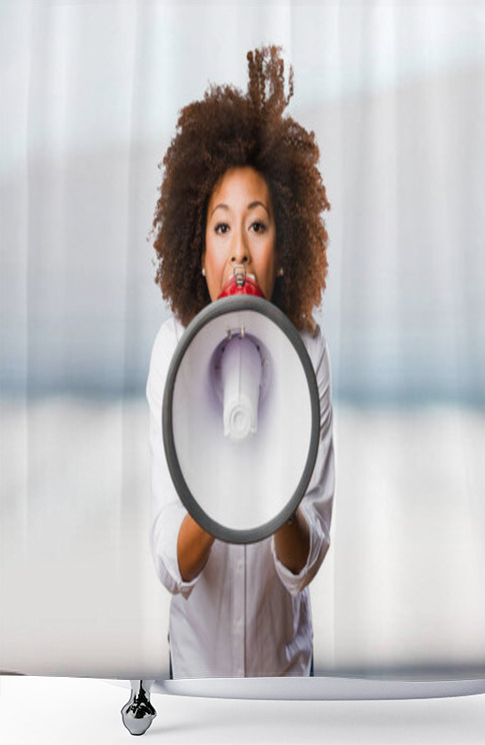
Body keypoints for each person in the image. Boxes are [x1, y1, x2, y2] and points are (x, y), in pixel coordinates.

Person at [147, 46, 334, 678]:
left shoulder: (306, 351)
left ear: (284, 249)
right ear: (196, 252)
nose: (239, 252)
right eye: (221, 228)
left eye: (257, 225)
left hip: (288, 683)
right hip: (196, 681)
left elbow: (304, 564)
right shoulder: (173, 350)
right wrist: (219, 485)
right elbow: (172, 566)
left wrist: (268, 489)